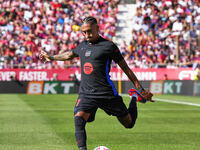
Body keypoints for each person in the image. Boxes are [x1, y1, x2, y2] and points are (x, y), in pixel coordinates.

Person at [39, 16, 154, 150]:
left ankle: (134, 98)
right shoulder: (82, 46)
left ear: (97, 28)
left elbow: (126, 69)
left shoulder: (108, 46)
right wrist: (51, 57)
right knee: (78, 119)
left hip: (106, 93)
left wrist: (140, 89)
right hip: (86, 94)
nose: (87, 35)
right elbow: (69, 55)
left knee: (129, 124)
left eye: (89, 31)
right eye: (84, 32)